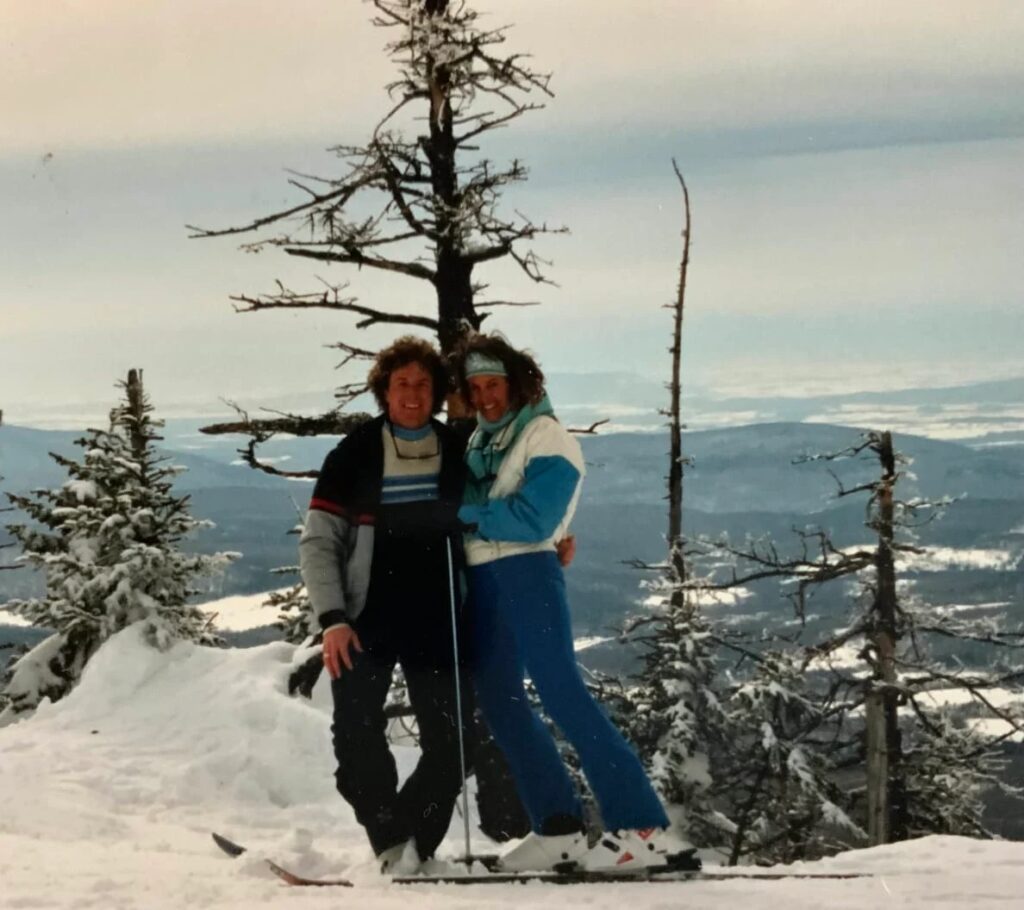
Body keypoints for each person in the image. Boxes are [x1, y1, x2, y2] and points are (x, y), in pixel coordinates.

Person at [451, 333, 678, 873]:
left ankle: (642, 827)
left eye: (494, 385)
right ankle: (558, 828)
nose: (484, 397)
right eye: (475, 387)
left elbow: (535, 518)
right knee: (501, 700)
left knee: (562, 693)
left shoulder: (545, 436)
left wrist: (463, 516)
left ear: (518, 383)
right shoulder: (483, 443)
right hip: (487, 577)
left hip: (526, 571)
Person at [299, 336, 472, 875]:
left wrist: (555, 537)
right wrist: (332, 620)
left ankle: (410, 846)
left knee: (455, 741)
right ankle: (393, 844)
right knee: (355, 737)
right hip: (365, 617)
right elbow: (319, 542)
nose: (413, 394)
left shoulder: (460, 451)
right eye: (402, 384)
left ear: (438, 392)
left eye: (423, 384)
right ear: (384, 391)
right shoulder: (354, 454)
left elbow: (505, 513)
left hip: (439, 617)